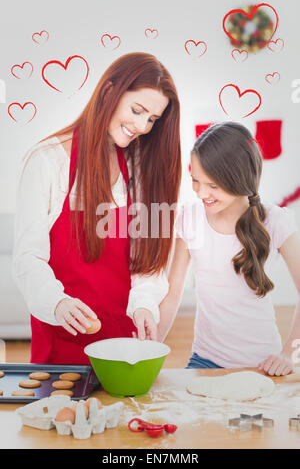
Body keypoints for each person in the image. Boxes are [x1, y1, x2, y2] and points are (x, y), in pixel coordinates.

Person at [12, 52, 181, 364]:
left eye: (152, 120)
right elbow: (28, 258)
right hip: (62, 344)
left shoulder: (140, 168)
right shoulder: (48, 161)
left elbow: (146, 260)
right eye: (137, 110)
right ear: (109, 92)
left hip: (122, 349)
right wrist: (57, 302)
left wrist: (144, 304)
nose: (142, 126)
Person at [158, 121, 300, 376]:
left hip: (264, 363)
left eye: (213, 185)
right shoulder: (189, 218)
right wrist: (150, 348)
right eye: (196, 180)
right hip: (205, 360)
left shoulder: (276, 221)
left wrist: (289, 354)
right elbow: (171, 295)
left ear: (240, 181)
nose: (201, 193)